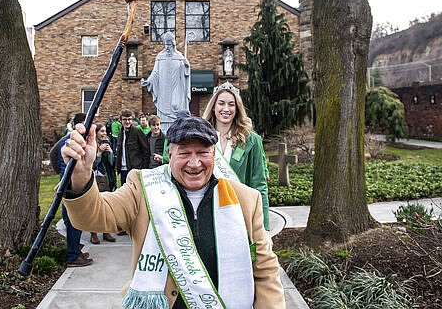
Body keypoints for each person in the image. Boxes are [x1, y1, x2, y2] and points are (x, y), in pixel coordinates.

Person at [61, 115, 286, 309]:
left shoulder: (246, 199)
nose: (195, 162)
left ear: (214, 154)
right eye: (185, 153)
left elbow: (265, 272)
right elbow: (92, 216)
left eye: (203, 152)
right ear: (169, 153)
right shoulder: (142, 188)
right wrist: (81, 177)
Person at [202, 81, 271, 231]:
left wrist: (263, 227)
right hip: (206, 214)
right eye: (221, 103)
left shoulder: (251, 140)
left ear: (237, 108)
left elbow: (259, 185)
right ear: (213, 107)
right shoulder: (201, 137)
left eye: (231, 104)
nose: (226, 109)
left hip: (239, 214)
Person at [55, 112, 93, 267]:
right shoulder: (70, 143)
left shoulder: (68, 141)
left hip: (68, 187)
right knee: (74, 222)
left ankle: (76, 251)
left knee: (74, 222)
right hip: (71, 189)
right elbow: (65, 165)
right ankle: (73, 256)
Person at [141, 31, 191, 133]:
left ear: (173, 44)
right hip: (163, 90)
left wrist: (186, 66)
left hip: (177, 87)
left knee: (176, 105)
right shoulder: (160, 57)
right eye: (166, 44)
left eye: (169, 44)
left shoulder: (179, 57)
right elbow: (155, 73)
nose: (167, 47)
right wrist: (148, 81)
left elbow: (185, 74)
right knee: (164, 112)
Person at [90, 124, 117, 244]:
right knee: (95, 208)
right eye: (101, 131)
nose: (104, 133)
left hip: (108, 180)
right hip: (97, 180)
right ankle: (94, 233)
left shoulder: (108, 143)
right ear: (96, 133)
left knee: (106, 207)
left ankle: (106, 232)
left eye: (105, 131)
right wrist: (99, 152)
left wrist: (110, 153)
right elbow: (92, 164)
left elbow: (112, 164)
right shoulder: (92, 146)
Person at [116, 109, 150, 186]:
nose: (127, 122)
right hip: (123, 168)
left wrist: (143, 168)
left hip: (134, 169)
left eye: (129, 119)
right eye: (125, 119)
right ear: (120, 120)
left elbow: (146, 151)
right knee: (125, 193)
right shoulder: (120, 132)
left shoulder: (137, 131)